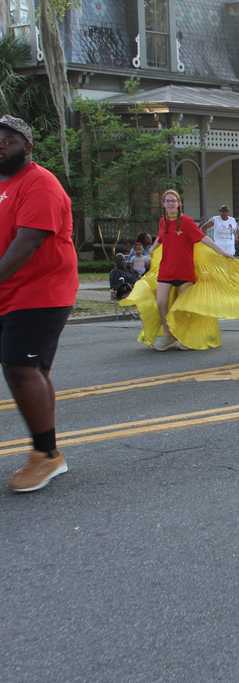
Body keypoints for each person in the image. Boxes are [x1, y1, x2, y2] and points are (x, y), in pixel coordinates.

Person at [0, 115, 78, 492]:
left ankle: (46, 456)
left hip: (42, 292)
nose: (1, 142)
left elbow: (26, 244)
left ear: (28, 145)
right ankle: (46, 452)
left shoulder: (40, 183)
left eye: (9, 138)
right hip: (11, 293)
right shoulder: (3, 185)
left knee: (20, 366)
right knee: (30, 368)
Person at [151, 189, 235, 350]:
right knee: (161, 303)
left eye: (173, 201)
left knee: (184, 308)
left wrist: (222, 252)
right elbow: (161, 237)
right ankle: (168, 335)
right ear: (163, 204)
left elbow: (204, 238)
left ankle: (184, 337)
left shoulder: (186, 222)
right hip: (166, 270)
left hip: (185, 271)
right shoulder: (163, 221)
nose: (170, 203)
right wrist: (153, 248)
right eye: (167, 201)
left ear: (179, 203)